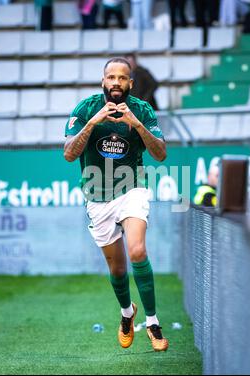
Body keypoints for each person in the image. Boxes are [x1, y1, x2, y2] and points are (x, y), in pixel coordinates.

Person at [64, 58, 168, 352]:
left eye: (123, 78)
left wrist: (135, 123)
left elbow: (160, 154)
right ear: (103, 81)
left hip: (131, 188)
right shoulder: (85, 109)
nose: (116, 82)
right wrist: (95, 121)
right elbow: (69, 154)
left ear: (130, 84)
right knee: (118, 269)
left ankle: (152, 322)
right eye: (111, 77)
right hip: (97, 196)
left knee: (137, 251)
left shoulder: (143, 110)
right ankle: (127, 313)